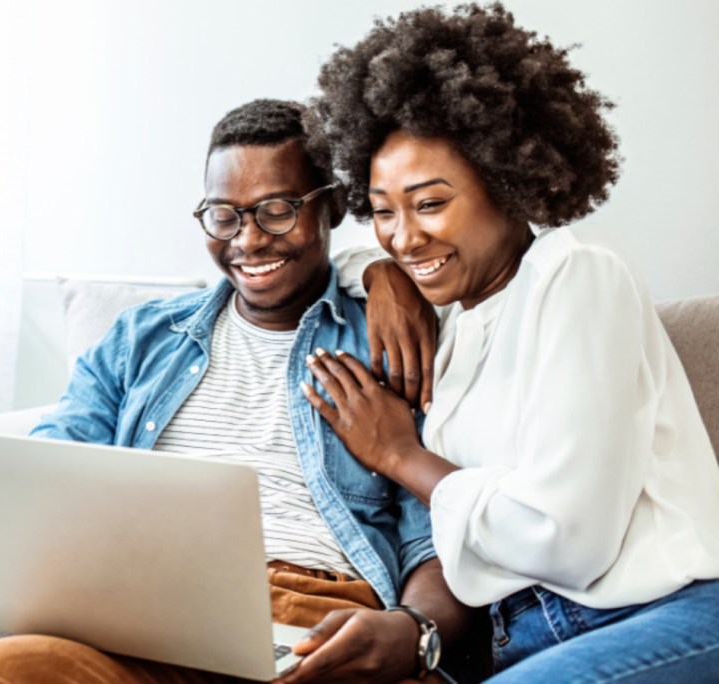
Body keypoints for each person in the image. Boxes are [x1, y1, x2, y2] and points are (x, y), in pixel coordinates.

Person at [0, 99, 486, 684]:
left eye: (275, 210)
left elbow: (439, 534)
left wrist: (413, 628)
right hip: (140, 615)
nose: (248, 240)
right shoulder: (139, 340)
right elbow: (42, 477)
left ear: (335, 204)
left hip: (314, 620)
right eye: (223, 215)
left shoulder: (392, 340)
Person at [301, 3, 719, 682]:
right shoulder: (459, 318)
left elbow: (567, 540)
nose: (405, 237)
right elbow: (344, 259)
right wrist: (380, 274)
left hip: (660, 614)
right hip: (521, 642)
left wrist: (400, 455)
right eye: (382, 211)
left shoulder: (577, 274)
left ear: (507, 181)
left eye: (431, 204)